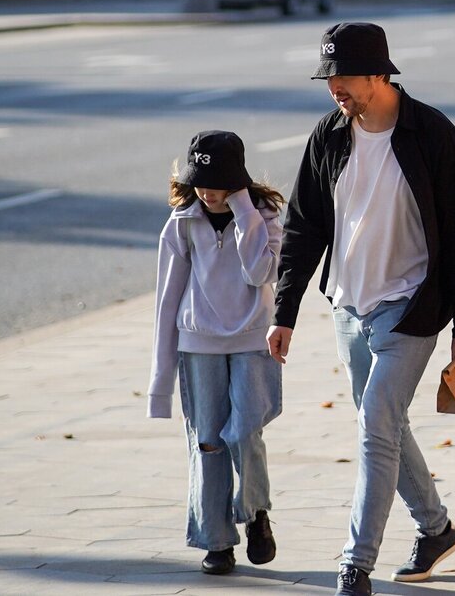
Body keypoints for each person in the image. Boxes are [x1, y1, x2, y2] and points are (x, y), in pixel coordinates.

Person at [269, 21, 455, 596]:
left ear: (377, 74)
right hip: (348, 306)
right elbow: (303, 227)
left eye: (342, 77)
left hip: (410, 307)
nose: (333, 88)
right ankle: (436, 529)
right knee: (384, 424)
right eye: (328, 79)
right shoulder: (329, 136)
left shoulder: (431, 134)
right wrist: (283, 311)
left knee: (374, 428)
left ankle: (354, 564)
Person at [148, 130, 286, 576]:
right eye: (199, 181)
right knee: (207, 441)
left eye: (217, 182)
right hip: (198, 344)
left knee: (245, 432)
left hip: (252, 341)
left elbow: (260, 272)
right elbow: (167, 299)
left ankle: (256, 513)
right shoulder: (181, 222)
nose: (207, 192)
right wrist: (159, 384)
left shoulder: (264, 217)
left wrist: (245, 212)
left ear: (238, 181)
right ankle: (217, 540)